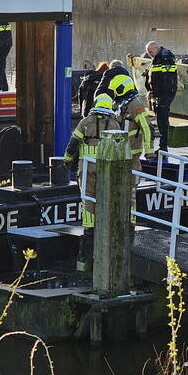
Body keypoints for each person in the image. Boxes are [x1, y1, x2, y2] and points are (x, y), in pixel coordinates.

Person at [63, 93, 123, 273]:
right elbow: (119, 146)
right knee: (105, 196)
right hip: (106, 167)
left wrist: (67, 160)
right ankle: (107, 228)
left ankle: (89, 232)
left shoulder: (85, 122)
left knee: (88, 198)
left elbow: (73, 143)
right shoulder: (114, 124)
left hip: (87, 167)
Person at [144, 41, 178, 154]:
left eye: (150, 51)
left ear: (157, 48)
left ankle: (164, 147)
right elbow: (153, 77)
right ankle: (163, 146)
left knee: (162, 120)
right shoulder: (157, 58)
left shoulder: (165, 57)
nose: (149, 54)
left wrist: (163, 98)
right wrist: (150, 91)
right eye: (148, 52)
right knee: (160, 119)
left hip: (165, 94)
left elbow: (168, 80)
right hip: (158, 94)